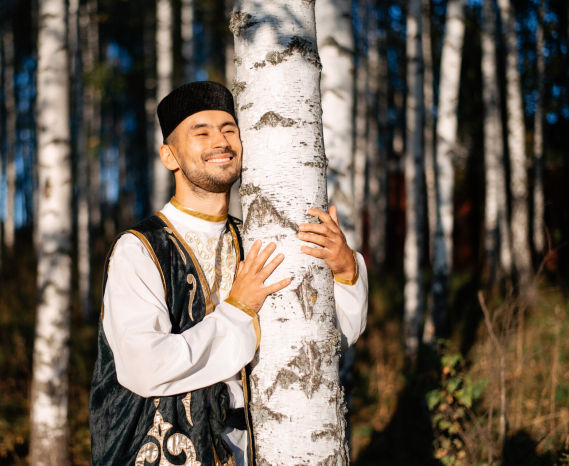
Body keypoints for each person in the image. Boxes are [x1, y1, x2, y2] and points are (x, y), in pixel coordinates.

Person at [89, 81, 368, 466]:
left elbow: (319, 342)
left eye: (229, 130)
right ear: (169, 156)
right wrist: (237, 309)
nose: (220, 141)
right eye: (200, 132)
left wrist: (345, 270)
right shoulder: (139, 249)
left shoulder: (255, 238)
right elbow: (144, 366)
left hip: (256, 449)